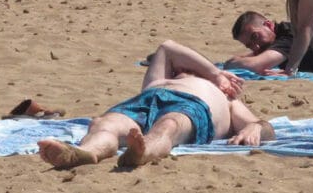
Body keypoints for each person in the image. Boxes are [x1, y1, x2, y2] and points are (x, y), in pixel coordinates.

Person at [37, 39, 274, 170]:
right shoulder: (159, 80)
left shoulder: (228, 98)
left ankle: (143, 151)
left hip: (195, 105)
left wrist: (254, 127)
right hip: (146, 101)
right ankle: (87, 153)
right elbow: (167, 47)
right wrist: (214, 73)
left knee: (170, 125)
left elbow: (263, 127)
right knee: (104, 123)